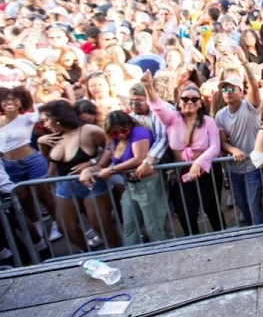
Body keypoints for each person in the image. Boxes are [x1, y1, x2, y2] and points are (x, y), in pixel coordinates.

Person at [140, 71, 224, 236]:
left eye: (194, 99)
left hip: (207, 171)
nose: (189, 102)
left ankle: (222, 238)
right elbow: (157, 106)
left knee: (212, 208)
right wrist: (148, 86)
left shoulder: (208, 122)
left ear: (200, 103)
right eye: (185, 99)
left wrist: (198, 163)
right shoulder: (172, 118)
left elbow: (215, 147)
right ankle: (195, 246)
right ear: (179, 102)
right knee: (187, 213)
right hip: (182, 173)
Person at [38, 100, 122, 250]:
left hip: (92, 184)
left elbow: (112, 147)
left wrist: (95, 163)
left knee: (101, 225)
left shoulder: (88, 130)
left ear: (58, 118)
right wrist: (41, 143)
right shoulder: (52, 136)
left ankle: (117, 252)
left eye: (46, 119)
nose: (45, 124)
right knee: (66, 228)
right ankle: (89, 254)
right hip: (65, 187)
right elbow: (50, 160)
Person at [80, 110, 168, 246]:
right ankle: (133, 257)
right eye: (114, 133)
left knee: (154, 226)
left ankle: (164, 256)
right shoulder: (112, 140)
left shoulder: (138, 132)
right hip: (130, 185)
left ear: (129, 125)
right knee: (129, 226)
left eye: (124, 130)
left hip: (148, 184)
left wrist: (112, 170)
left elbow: (138, 159)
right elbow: (103, 162)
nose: (120, 135)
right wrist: (89, 169)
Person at [0, 87, 60, 242]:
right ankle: (37, 226)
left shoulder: (27, 117)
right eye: (5, 99)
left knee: (43, 194)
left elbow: (47, 111)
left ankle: (57, 223)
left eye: (14, 99)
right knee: (23, 197)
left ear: (21, 102)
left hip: (31, 161)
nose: (9, 102)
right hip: (9, 165)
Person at [215, 52, 263, 226]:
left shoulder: (251, 107)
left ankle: (261, 237)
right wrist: (232, 149)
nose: (227, 92)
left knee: (254, 206)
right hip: (234, 168)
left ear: (241, 91)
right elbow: (222, 141)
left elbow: (254, 85)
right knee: (242, 205)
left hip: (253, 166)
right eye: (224, 89)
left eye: (231, 89)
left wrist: (244, 63)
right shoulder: (220, 115)